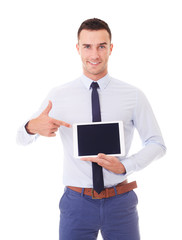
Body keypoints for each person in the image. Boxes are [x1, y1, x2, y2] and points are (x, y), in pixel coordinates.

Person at [17, 18, 166, 240]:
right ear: (78, 49)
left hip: (120, 203)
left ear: (111, 48)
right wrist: (31, 127)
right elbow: (20, 138)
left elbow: (157, 144)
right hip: (76, 204)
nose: (94, 55)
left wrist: (125, 166)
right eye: (87, 46)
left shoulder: (133, 95)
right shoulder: (58, 95)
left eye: (101, 46)